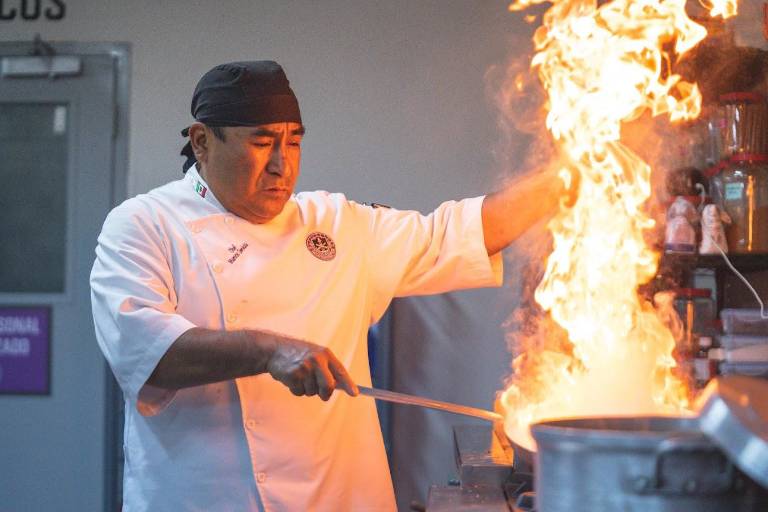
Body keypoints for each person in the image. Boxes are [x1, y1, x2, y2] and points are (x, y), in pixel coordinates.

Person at [90, 60, 570, 511]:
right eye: (261, 143)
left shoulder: (336, 222)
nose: (282, 164)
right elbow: (147, 351)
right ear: (201, 142)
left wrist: (568, 174)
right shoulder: (143, 225)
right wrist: (269, 350)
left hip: (341, 496)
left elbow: (458, 232)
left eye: (293, 142)